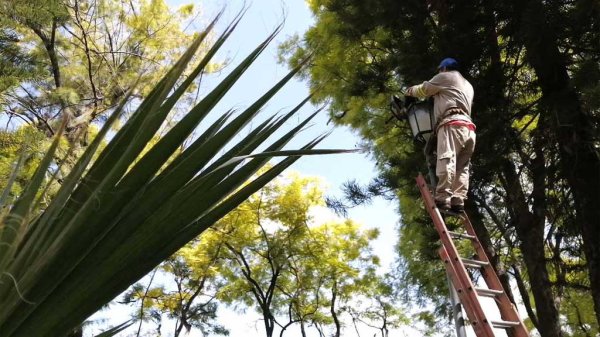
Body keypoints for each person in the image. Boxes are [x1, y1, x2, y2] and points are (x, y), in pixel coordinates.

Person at [405, 58, 475, 213]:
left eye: (439, 70)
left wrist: (409, 91)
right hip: (469, 129)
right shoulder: (468, 85)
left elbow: (424, 89)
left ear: (444, 68)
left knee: (447, 157)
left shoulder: (446, 77)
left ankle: (443, 198)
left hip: (452, 124)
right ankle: (458, 201)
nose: (438, 72)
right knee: (462, 167)